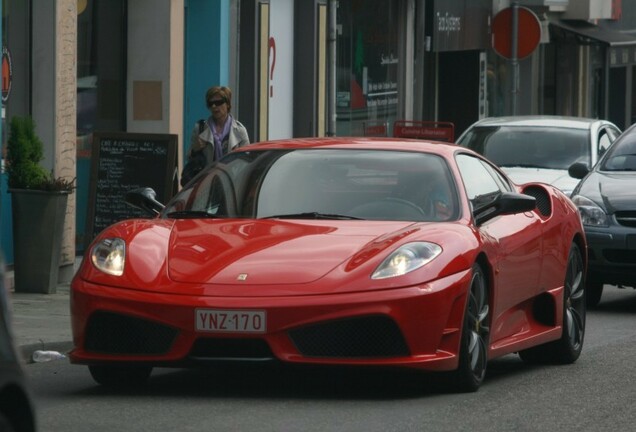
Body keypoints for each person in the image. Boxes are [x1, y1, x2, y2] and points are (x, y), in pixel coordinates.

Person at [186, 86, 250, 166]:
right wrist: (195, 149)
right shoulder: (200, 129)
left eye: (218, 103)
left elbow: (246, 161)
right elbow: (188, 158)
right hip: (207, 177)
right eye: (210, 103)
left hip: (231, 176)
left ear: (227, 104)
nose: (214, 106)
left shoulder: (239, 131)